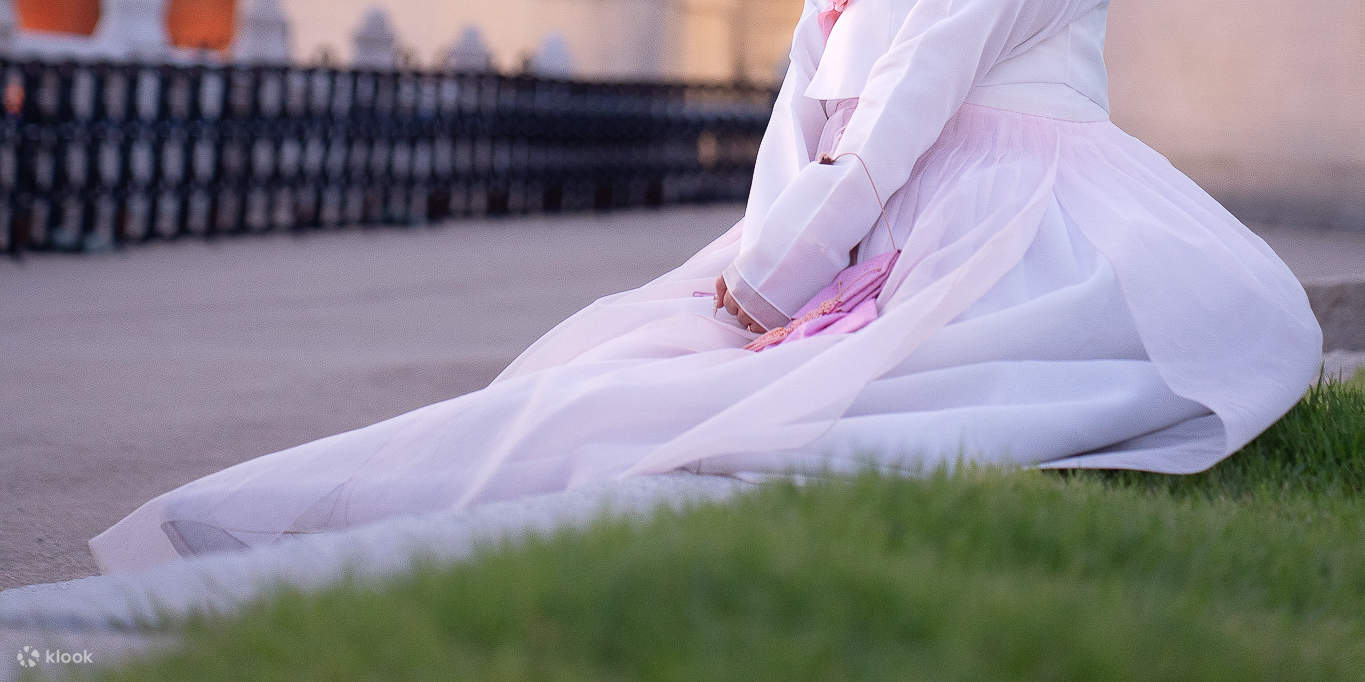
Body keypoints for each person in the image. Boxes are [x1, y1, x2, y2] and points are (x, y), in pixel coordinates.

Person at [89, 0, 1322, 573]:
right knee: (632, 370)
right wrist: (758, 266)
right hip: (878, 214)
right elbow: (809, 122)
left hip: (1021, 201)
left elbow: (912, 101)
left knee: (917, 381)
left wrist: (791, 271)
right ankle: (307, 508)